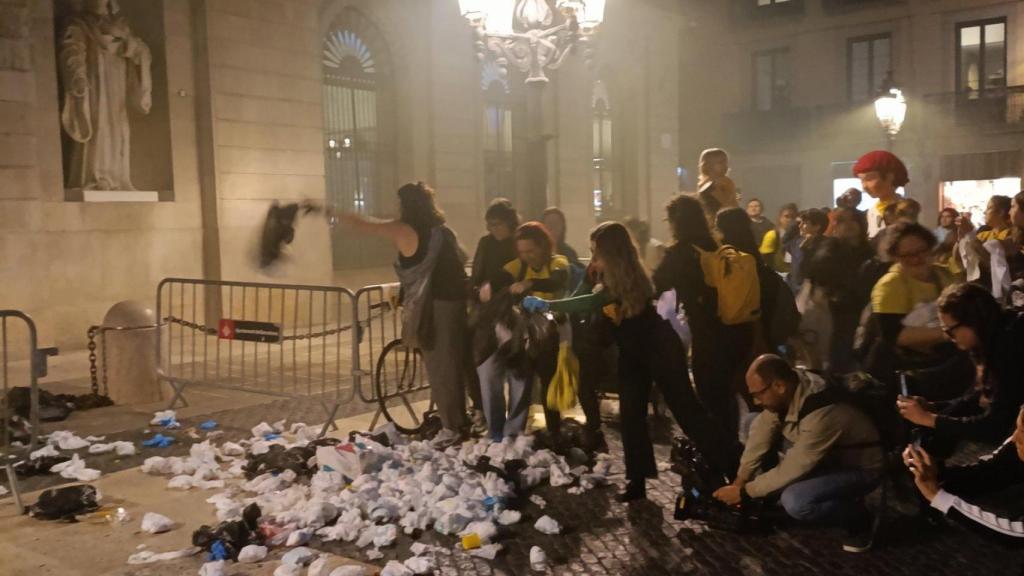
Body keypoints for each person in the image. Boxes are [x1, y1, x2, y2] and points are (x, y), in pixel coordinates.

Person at [523, 222, 740, 501]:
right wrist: (561, 304)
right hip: (632, 351)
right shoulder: (600, 273)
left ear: (612, 252)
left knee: (688, 413)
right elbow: (580, 296)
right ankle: (637, 481)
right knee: (631, 417)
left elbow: (592, 301)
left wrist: (550, 305)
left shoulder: (628, 275)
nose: (594, 258)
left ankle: (735, 465)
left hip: (659, 347)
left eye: (597, 252)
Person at [333, 182, 468, 448]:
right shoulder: (443, 232)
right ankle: (463, 418)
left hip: (433, 306)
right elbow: (462, 259)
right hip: (455, 304)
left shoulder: (406, 230)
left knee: (440, 367)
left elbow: (366, 225)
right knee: (455, 364)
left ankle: (453, 427)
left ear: (406, 205)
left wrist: (331, 211)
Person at [713, 355, 883, 552]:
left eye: (758, 394)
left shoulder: (823, 413)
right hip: (827, 456)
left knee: (795, 501)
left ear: (778, 386)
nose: (755, 401)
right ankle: (769, 492)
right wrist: (740, 480)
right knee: (753, 420)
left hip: (860, 468)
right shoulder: (793, 385)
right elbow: (762, 432)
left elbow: (795, 466)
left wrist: (745, 492)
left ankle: (858, 517)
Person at [896, 283, 1024, 449]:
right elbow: (980, 398)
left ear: (973, 321)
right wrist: (934, 408)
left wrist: (929, 419)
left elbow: (994, 426)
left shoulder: (1009, 347)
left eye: (951, 331)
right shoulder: (994, 338)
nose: (950, 338)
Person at [653, 195, 741, 436]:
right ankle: (731, 442)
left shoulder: (680, 252)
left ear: (675, 222)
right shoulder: (716, 246)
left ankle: (721, 454)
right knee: (725, 394)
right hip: (734, 325)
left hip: (705, 328)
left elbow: (656, 285)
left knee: (708, 391)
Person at [477, 222, 569, 441]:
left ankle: (547, 431)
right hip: (523, 332)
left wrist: (529, 283)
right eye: (522, 252)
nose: (527, 256)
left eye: (531, 251)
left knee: (540, 380)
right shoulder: (518, 265)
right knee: (501, 373)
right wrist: (487, 286)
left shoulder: (558, 262)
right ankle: (501, 432)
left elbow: (556, 281)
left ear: (544, 247)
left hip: (550, 333)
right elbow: (501, 276)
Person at [904, 406, 1024, 541]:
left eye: (1023, 432)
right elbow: (990, 472)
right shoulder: (1016, 444)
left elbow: (1015, 534)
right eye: (1017, 428)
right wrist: (935, 474)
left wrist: (938, 497)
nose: (1014, 438)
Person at [467, 198, 521, 434]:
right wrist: (478, 291)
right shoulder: (486, 244)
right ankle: (493, 425)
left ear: (510, 222)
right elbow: (477, 276)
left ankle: (515, 428)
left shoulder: (519, 243)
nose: (492, 229)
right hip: (488, 314)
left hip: (514, 312)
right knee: (486, 368)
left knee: (518, 373)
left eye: (497, 224)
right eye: (489, 224)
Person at [826, 207, 875, 372]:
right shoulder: (828, 250)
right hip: (839, 317)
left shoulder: (871, 251)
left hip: (868, 316)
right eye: (841, 221)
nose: (848, 225)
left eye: (852, 220)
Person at [853, 150, 908, 239]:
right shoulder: (872, 211)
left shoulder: (906, 209)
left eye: (869, 179)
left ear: (890, 177)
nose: (864, 187)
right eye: (861, 180)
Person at [760, 203, 799, 276]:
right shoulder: (772, 235)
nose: (790, 220)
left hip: (793, 277)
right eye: (786, 216)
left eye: (793, 217)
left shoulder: (799, 237)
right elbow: (765, 260)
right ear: (780, 218)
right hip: (776, 276)